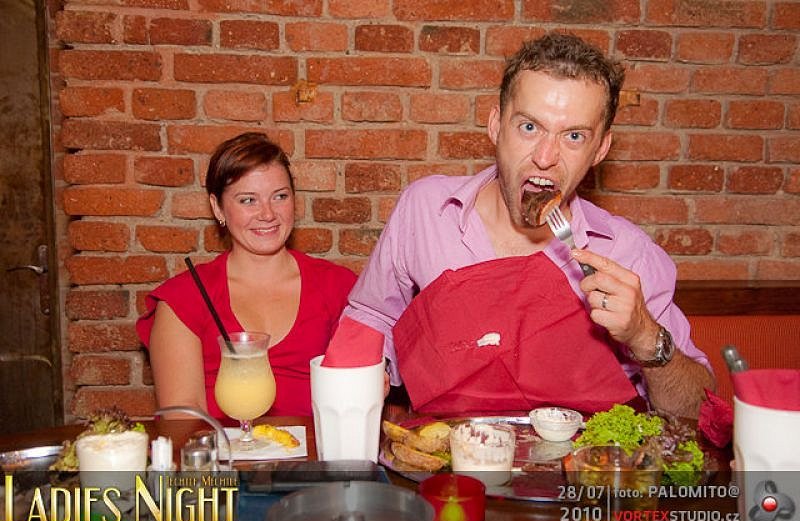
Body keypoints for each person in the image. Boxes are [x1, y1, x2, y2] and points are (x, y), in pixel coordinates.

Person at [336, 33, 714, 419]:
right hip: (447, 451)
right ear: (496, 125)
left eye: (574, 136)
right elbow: (372, 316)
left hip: (579, 457)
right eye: (529, 127)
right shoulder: (427, 210)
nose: (545, 157)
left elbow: (698, 412)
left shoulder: (627, 253)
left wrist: (645, 335)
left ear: (600, 149)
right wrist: (370, 372)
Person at [137, 132, 357, 418]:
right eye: (248, 200)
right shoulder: (184, 299)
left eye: (280, 196)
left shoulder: (338, 287)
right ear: (218, 208)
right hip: (222, 447)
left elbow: (353, 397)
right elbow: (183, 422)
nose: (267, 214)